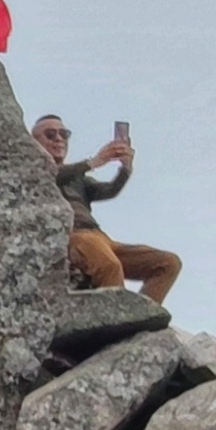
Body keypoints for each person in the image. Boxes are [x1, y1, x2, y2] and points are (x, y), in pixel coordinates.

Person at [34, 114, 180, 305]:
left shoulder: (77, 177)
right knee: (109, 266)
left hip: (100, 237)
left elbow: (108, 190)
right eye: (50, 134)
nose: (59, 139)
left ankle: (140, 316)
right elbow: (51, 175)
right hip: (76, 236)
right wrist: (94, 162)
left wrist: (125, 169)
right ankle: (119, 321)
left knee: (168, 263)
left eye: (64, 134)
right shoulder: (34, 170)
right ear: (34, 142)